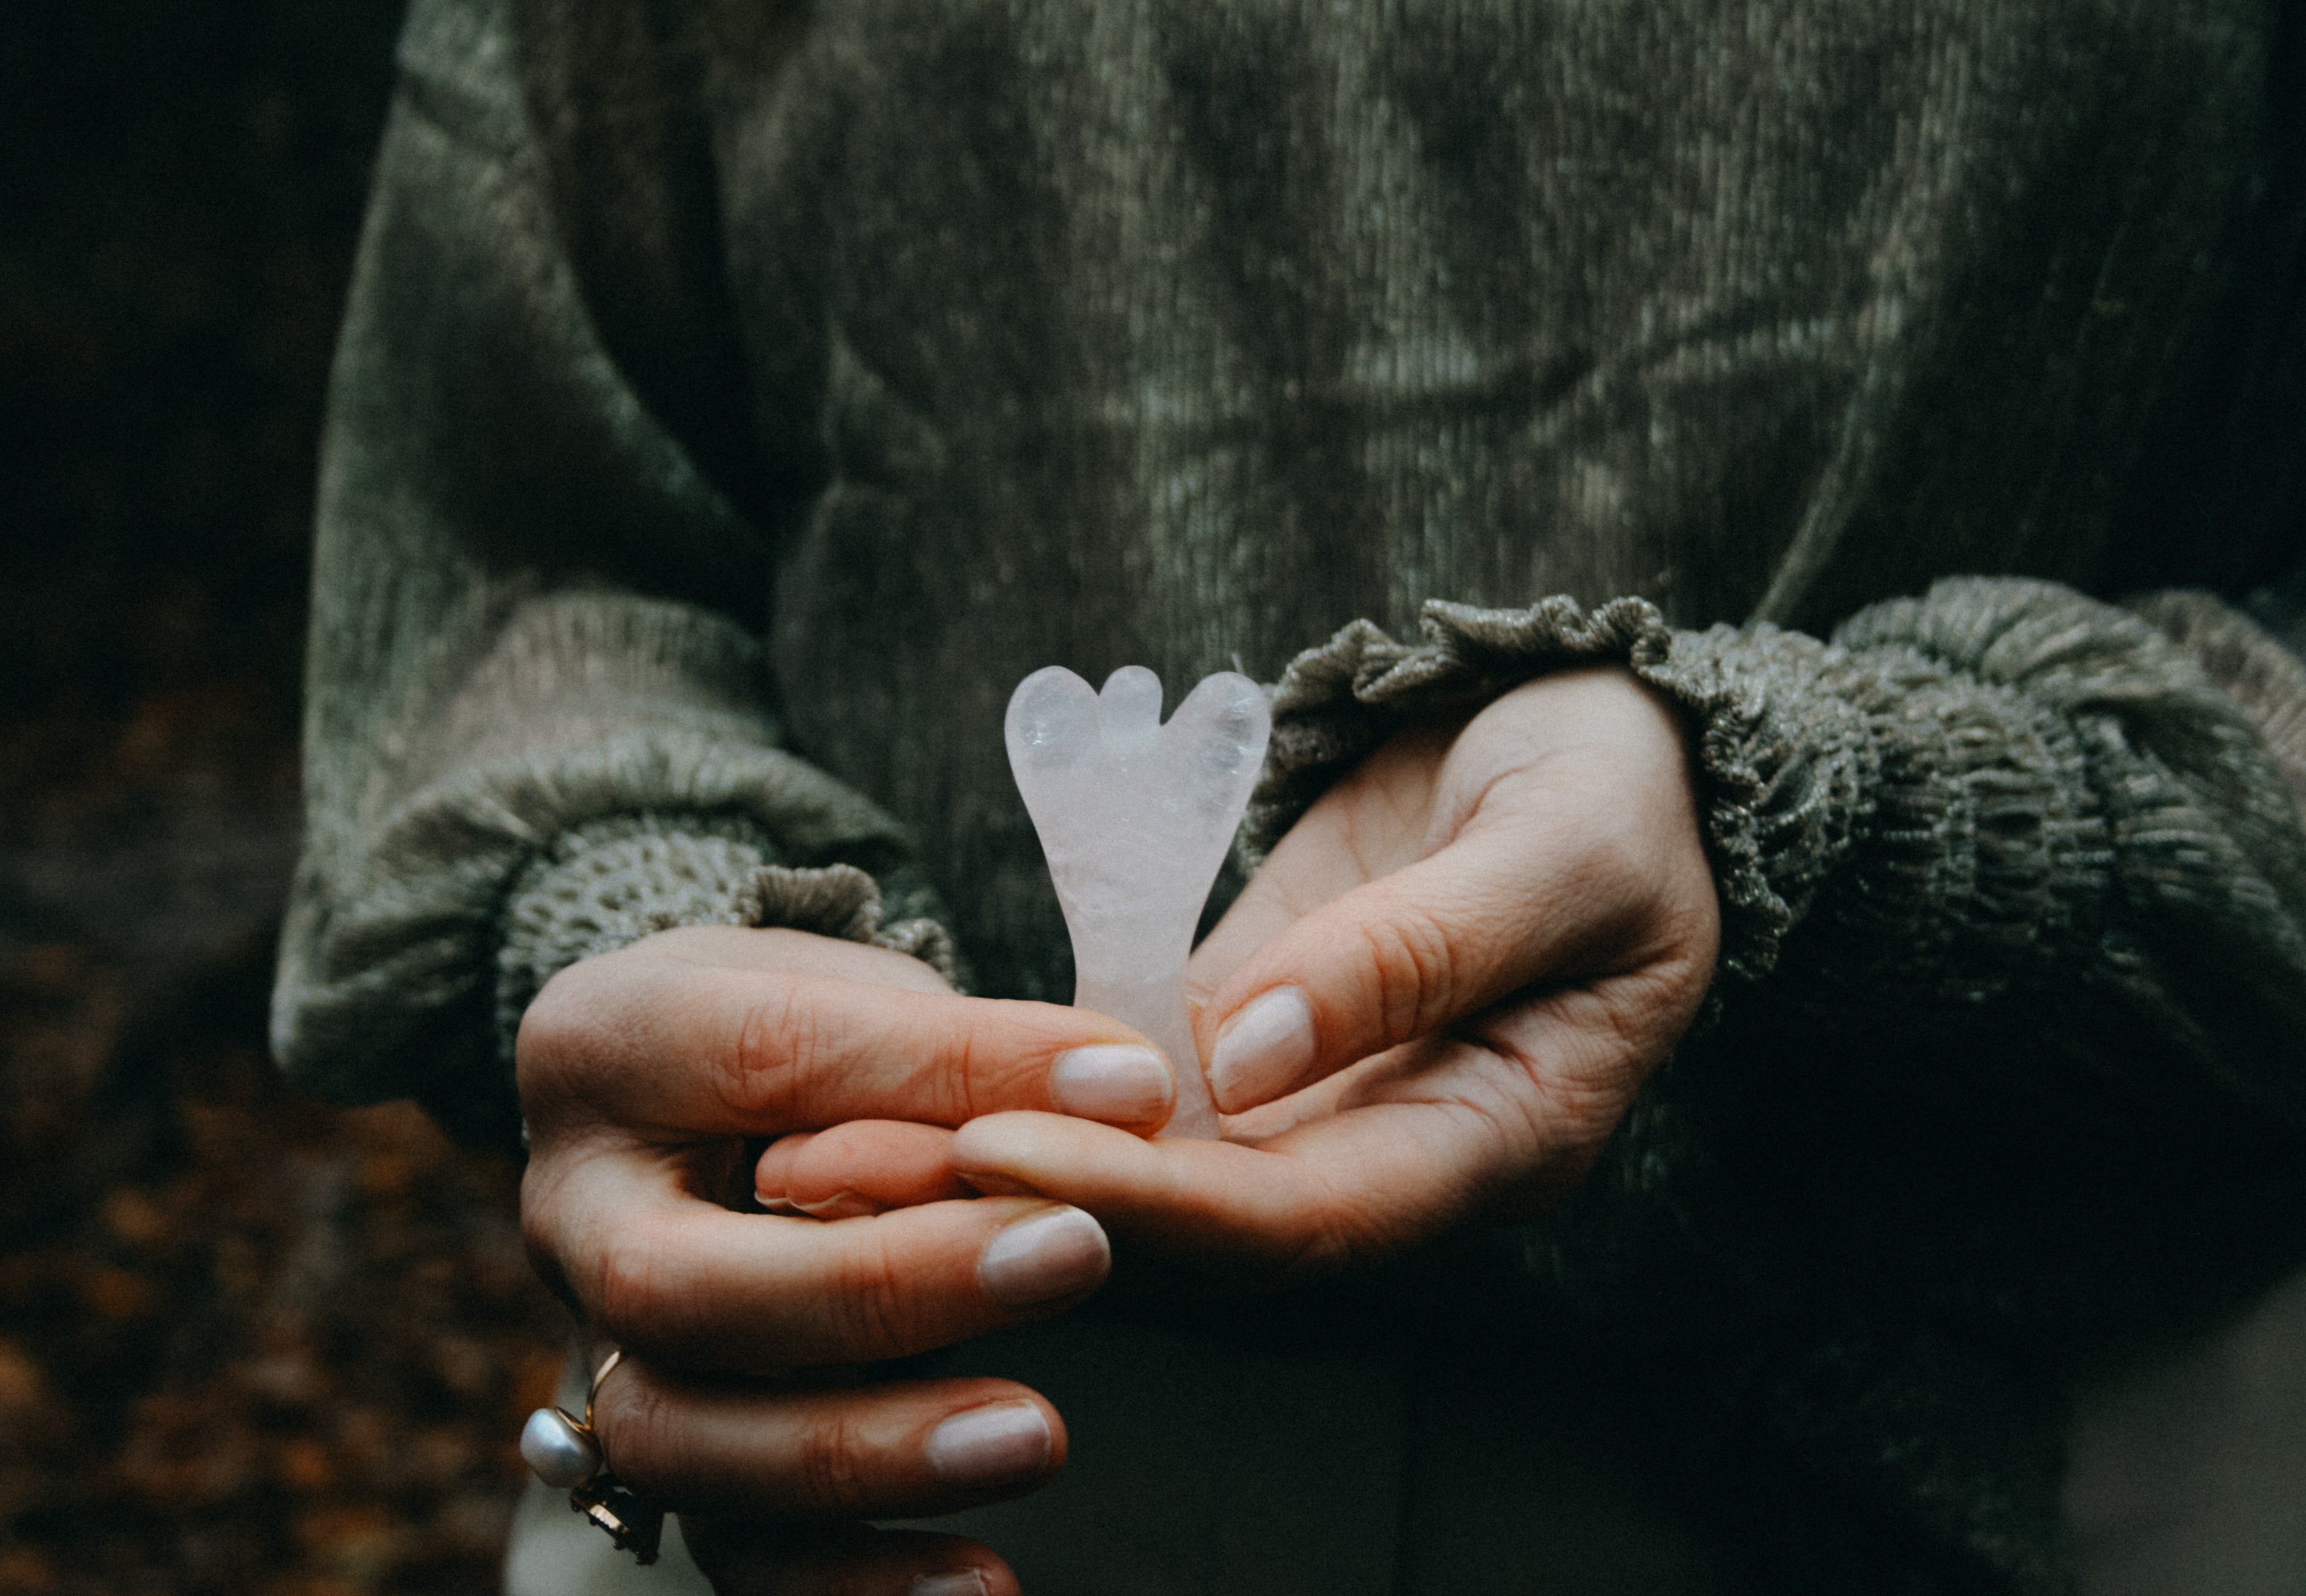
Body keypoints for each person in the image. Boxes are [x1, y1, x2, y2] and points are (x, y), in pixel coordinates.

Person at [272, 0, 2306, 1590]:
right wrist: (683, 958)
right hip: (866, 1461)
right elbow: (512, 556)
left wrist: (1824, 806)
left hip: (2044, 1434)